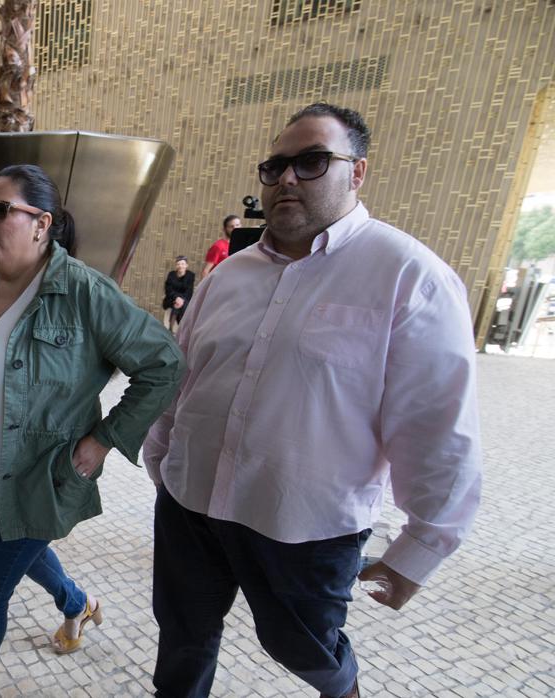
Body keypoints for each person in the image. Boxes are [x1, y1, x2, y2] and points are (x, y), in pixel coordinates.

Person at [142, 103, 482, 698]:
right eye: (275, 167)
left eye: (312, 161)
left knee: (306, 649)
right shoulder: (227, 276)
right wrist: (162, 458)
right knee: (182, 636)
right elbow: (184, 377)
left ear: (358, 172)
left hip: (304, 524)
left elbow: (437, 425)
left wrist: (420, 548)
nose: (288, 178)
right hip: (191, 502)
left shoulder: (409, 276)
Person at [0, 164, 184, 698]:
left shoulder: (84, 291)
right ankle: (77, 604)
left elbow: (163, 363)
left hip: (37, 472)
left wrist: (104, 439)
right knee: (20, 541)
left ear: (42, 223)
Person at [161, 256, 194, 331]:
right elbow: (168, 290)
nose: (180, 266)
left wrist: (180, 300)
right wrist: (177, 298)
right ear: (176, 265)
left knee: (180, 306)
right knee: (178, 305)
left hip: (184, 299)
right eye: (178, 264)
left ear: (186, 265)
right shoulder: (171, 275)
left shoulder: (190, 275)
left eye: (182, 264)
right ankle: (182, 329)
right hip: (171, 299)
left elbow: (189, 291)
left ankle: (172, 328)